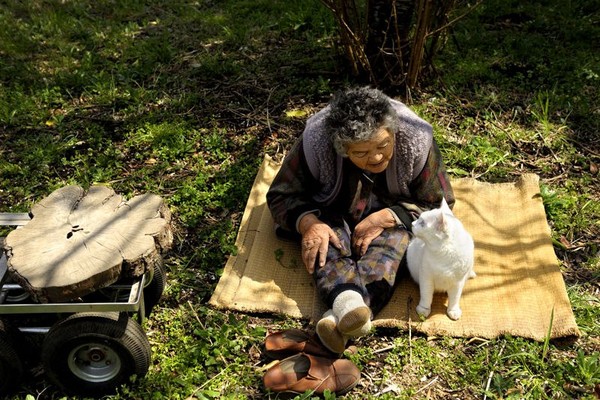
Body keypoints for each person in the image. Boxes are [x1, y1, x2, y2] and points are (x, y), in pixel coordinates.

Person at [266, 86, 454, 353]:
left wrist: (390, 216)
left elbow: (438, 204)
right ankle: (347, 304)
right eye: (362, 153)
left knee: (399, 241)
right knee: (323, 236)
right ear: (343, 149)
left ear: (393, 132)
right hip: (332, 209)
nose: (376, 157)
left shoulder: (416, 137)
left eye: (383, 145)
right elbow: (281, 195)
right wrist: (309, 223)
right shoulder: (317, 141)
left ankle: (340, 315)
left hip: (392, 216)